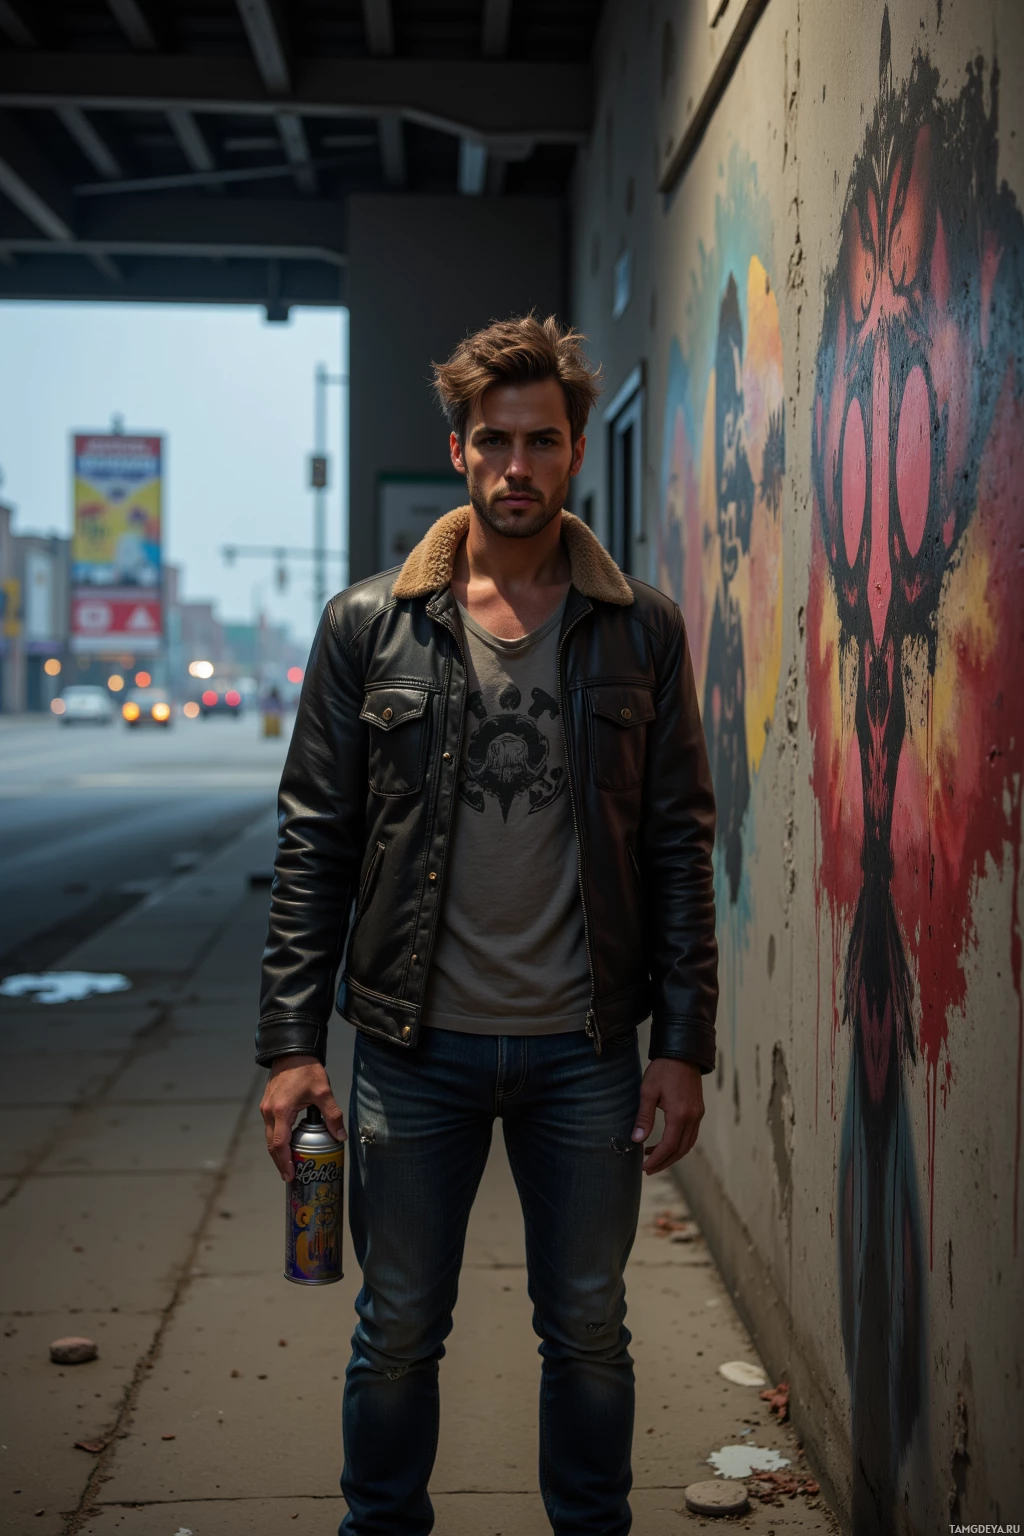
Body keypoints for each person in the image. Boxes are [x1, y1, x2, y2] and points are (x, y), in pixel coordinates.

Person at [257, 313, 718, 1536]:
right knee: (397, 1328)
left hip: (584, 1049)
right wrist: (291, 1047)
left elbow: (677, 845)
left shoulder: (640, 629)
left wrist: (684, 1044)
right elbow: (314, 844)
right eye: (495, 441)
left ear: (574, 453)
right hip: (415, 1050)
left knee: (590, 1327)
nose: (519, 466)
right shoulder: (368, 626)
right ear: (458, 449)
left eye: (542, 441)